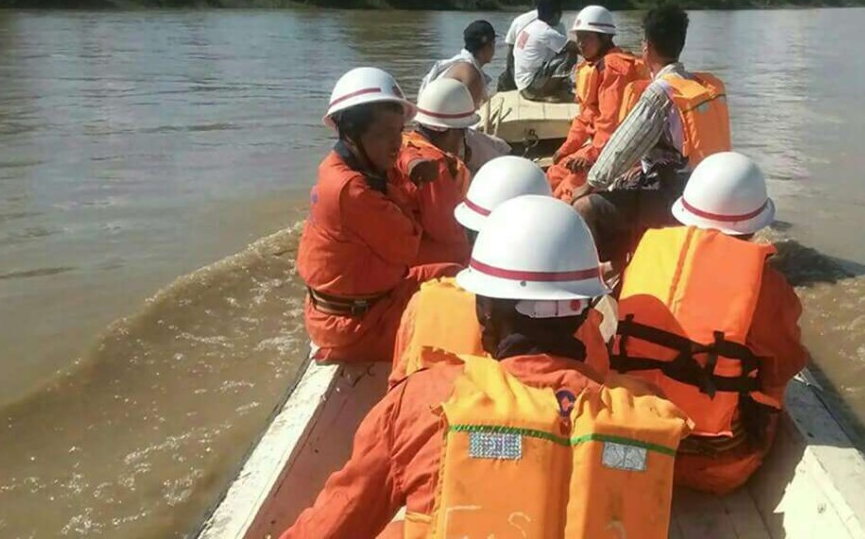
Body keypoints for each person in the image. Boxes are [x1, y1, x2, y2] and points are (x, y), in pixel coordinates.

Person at [283, 195, 691, 539]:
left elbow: (334, 524)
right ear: (585, 310)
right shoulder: (649, 412)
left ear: (484, 312)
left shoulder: (425, 400)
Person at [610, 152, 807, 496]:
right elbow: (784, 364)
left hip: (624, 449)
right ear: (755, 224)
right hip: (711, 467)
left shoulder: (644, 252)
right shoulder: (765, 283)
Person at [389, 155, 611, 386]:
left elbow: (397, 391)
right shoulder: (569, 314)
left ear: (471, 232)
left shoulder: (426, 302)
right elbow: (596, 381)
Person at [296, 67, 461, 363]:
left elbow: (399, 155)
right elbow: (409, 244)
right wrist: (409, 186)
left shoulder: (343, 164)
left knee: (455, 272)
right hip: (357, 326)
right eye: (384, 133)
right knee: (462, 321)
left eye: (398, 131)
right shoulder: (352, 191)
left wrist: (409, 162)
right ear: (351, 134)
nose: (396, 142)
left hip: (369, 301)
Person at [572, 3, 732, 265]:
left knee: (584, 207)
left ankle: (609, 272)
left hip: (674, 198)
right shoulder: (702, 86)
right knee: (630, 179)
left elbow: (620, 149)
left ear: (646, 46)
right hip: (708, 190)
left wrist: (587, 185)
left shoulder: (660, 93)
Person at [546, 5, 649, 203]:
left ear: (604, 38)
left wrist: (589, 156)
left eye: (586, 38)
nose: (580, 44)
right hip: (600, 146)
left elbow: (611, 126)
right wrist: (567, 148)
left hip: (615, 150)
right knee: (553, 174)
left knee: (567, 192)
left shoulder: (614, 69)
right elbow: (586, 116)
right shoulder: (594, 67)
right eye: (578, 38)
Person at [395, 78, 478, 267]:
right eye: (462, 133)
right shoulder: (436, 166)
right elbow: (447, 234)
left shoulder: (401, 142)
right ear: (451, 132)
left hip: (396, 244)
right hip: (416, 256)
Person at [420, 19, 511, 174]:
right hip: (448, 135)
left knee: (498, 145)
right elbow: (461, 125)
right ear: (488, 46)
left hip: (433, 128)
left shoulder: (456, 63)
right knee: (503, 152)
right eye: (494, 45)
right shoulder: (472, 75)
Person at [513, 0, 579, 102]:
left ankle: (555, 87)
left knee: (559, 53)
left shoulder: (532, 27)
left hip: (522, 83)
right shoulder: (545, 32)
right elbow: (577, 47)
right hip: (530, 88)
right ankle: (547, 92)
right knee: (569, 55)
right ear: (556, 15)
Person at [499, 0, 567, 92]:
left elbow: (511, 51)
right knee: (568, 55)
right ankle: (556, 88)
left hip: (520, 75)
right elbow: (566, 48)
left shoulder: (520, 21)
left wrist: (511, 77)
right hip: (536, 77)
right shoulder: (555, 24)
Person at [419, 19, 497, 108]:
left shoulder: (459, 63)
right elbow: (469, 115)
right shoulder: (471, 73)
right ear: (488, 46)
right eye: (494, 43)